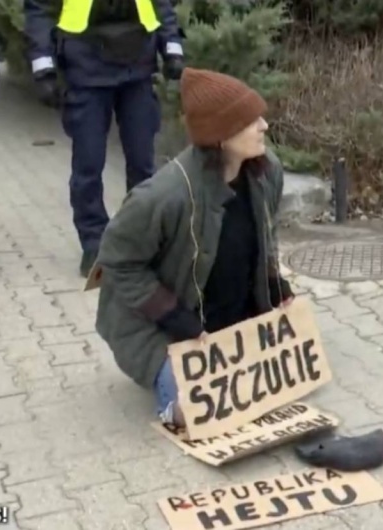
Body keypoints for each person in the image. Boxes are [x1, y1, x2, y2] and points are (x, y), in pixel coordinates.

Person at [93, 68, 294, 426]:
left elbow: (266, 236)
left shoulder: (267, 172)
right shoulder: (164, 196)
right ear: (221, 134)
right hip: (161, 328)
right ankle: (170, 392)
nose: (264, 125)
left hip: (225, 320)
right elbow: (117, 263)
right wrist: (178, 320)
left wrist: (275, 285)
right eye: (251, 120)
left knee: (287, 383)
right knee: (198, 416)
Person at [23, 0, 186, 277]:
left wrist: (172, 46)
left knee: (142, 165)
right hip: (85, 65)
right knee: (88, 165)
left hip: (138, 64)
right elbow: (38, 8)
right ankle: (94, 244)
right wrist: (43, 67)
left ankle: (142, 242)